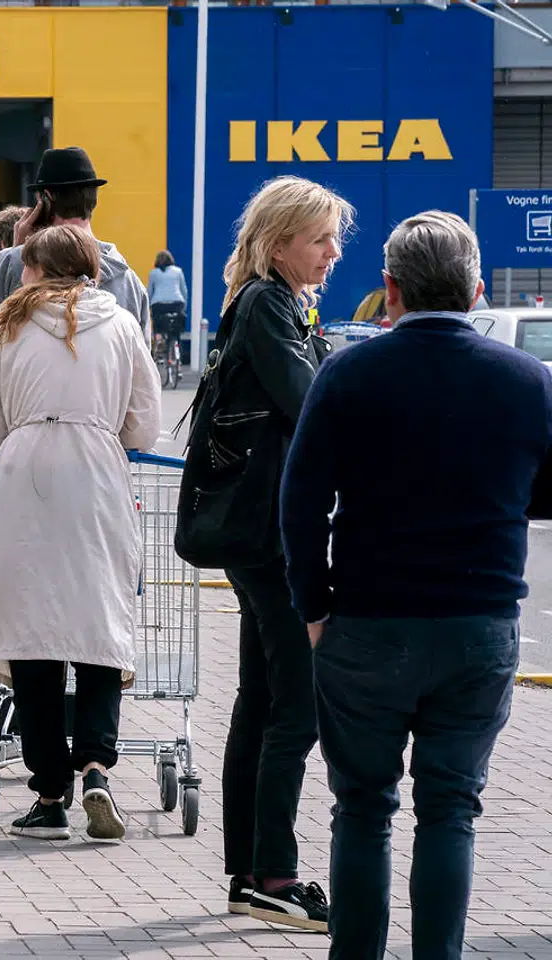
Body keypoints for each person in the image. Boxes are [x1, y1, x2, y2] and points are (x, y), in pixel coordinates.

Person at [282, 212, 549, 958]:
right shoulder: (527, 381)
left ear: (390, 289)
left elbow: (300, 503)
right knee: (451, 810)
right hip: (479, 623)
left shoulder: (349, 374)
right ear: (477, 289)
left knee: (363, 810)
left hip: (367, 621)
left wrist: (313, 607)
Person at [183, 175, 352, 932]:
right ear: (279, 243)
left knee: (260, 700)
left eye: (334, 237)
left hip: (256, 530)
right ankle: (275, 876)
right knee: (297, 706)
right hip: (267, 533)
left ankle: (250, 874)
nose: (332, 251)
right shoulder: (266, 305)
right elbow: (311, 403)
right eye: (320, 238)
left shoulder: (271, 302)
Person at [0, 224, 160, 841]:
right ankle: (97, 766)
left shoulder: (7, 324)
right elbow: (145, 423)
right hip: (97, 470)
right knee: (98, 623)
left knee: (32, 632)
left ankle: (50, 794)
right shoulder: (121, 323)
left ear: (35, 268)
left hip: (25, 468)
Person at [0, 147, 150, 383]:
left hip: (30, 399)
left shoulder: (18, 264)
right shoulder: (129, 281)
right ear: (93, 200)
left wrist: (13, 251)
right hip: (105, 404)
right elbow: (141, 367)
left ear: (46, 199)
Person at [148, 249, 189, 359]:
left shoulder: (153, 273)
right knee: (176, 330)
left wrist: (149, 307)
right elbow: (184, 291)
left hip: (158, 305)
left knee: (158, 326)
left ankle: (158, 340)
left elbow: (149, 292)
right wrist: (184, 307)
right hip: (177, 304)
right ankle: (177, 353)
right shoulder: (178, 271)